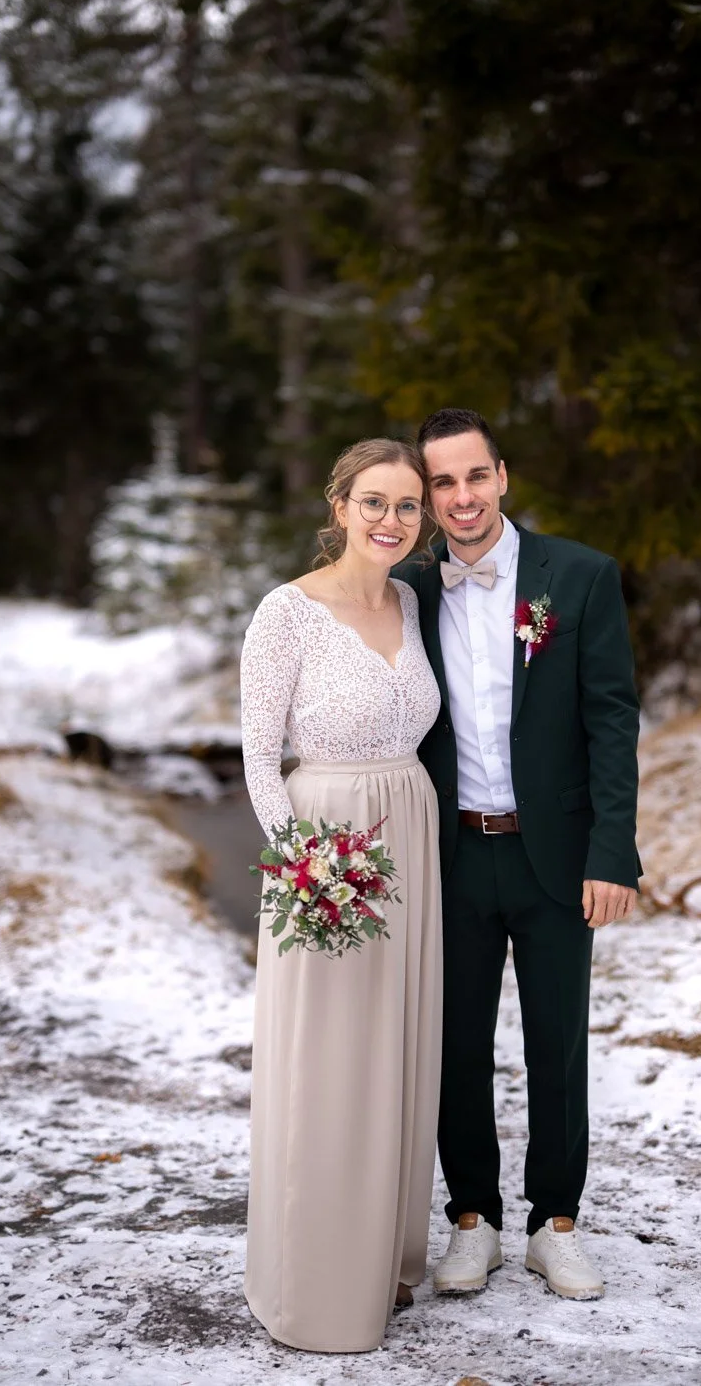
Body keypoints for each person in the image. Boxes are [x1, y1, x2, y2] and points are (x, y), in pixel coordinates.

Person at [394, 407, 641, 1303]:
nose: (461, 498)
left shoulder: (576, 577)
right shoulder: (405, 589)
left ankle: (555, 1223)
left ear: (504, 476)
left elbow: (612, 720)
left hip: (558, 853)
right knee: (455, 1047)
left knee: (557, 1046)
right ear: (426, 498)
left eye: (474, 477)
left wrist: (614, 851)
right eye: (442, 485)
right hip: (449, 853)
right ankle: (473, 1220)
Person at [238, 438, 442, 1353]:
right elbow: (257, 755)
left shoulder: (409, 601)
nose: (391, 521)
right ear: (339, 505)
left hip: (413, 827)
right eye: (374, 502)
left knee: (398, 1045)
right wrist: (305, 869)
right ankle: (316, 1281)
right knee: (329, 1060)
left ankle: (386, 1258)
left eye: (407, 505)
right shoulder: (288, 612)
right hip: (328, 844)